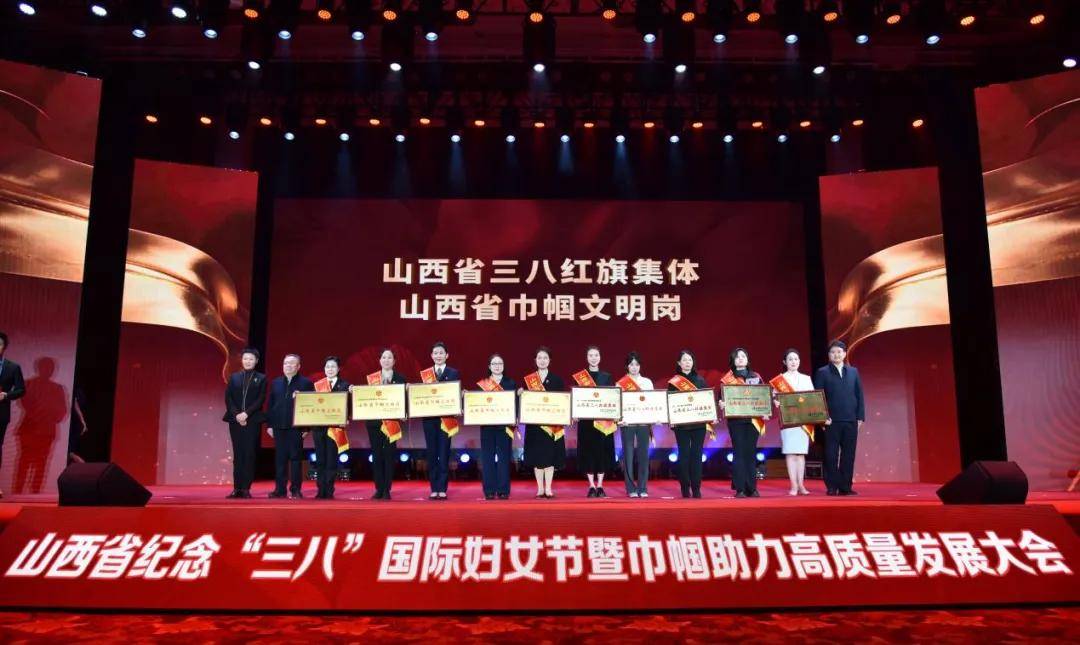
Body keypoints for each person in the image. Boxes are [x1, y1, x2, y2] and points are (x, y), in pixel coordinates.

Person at [813, 340, 866, 496]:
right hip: (831, 421)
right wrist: (822, 417)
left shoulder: (853, 372)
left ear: (844, 354)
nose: (836, 354)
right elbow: (818, 397)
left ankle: (845, 487)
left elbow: (859, 395)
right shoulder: (822, 372)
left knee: (848, 455)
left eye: (839, 352)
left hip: (851, 419)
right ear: (829, 355)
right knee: (831, 455)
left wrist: (860, 417)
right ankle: (832, 486)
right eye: (833, 352)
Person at [720, 348, 770, 498]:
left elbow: (763, 395)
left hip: (753, 420)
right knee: (739, 453)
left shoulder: (756, 377)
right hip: (736, 421)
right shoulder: (727, 379)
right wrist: (721, 403)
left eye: (743, 356)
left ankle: (752, 488)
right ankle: (740, 488)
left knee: (750, 452)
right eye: (737, 357)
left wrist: (766, 409)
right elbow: (720, 398)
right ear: (733, 361)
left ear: (747, 360)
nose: (740, 358)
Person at [266, 353, 314, 499]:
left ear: (298, 366)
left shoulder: (306, 383)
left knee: (295, 459)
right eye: (286, 363)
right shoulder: (276, 382)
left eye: (292, 363)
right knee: (280, 459)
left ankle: (295, 489)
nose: (288, 366)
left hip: (296, 427)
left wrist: (307, 428)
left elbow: (311, 406)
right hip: (279, 426)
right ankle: (279, 490)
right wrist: (270, 425)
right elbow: (271, 405)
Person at [361, 348, 407, 500]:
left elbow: (404, 399)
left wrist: (404, 412)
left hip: (391, 423)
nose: (386, 360)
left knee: (389, 455)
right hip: (374, 422)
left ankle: (387, 489)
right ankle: (378, 489)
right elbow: (365, 398)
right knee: (377, 455)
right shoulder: (372, 379)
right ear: (379, 360)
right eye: (384, 357)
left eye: (390, 357)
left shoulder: (401, 378)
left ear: (394, 361)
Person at [571, 345, 616, 498]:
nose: (593, 358)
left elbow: (612, 397)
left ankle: (601, 485)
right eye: (590, 355)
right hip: (586, 422)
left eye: (596, 355)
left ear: (600, 357)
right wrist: (575, 413)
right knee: (588, 452)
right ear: (587, 358)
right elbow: (576, 398)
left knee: (602, 452)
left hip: (603, 421)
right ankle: (591, 485)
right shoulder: (580, 377)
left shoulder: (607, 377)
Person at [222, 348, 266, 499]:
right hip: (235, 421)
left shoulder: (261, 378)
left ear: (256, 361)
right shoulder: (234, 377)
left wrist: (246, 414)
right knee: (238, 454)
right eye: (245, 358)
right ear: (242, 360)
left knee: (249, 454)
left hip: (252, 420)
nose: (248, 361)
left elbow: (260, 399)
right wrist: (237, 415)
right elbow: (228, 398)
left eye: (251, 359)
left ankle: (246, 488)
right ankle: (236, 488)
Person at [769, 348, 814, 496]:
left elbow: (812, 398)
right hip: (788, 420)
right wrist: (775, 402)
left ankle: (801, 485)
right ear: (785, 362)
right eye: (790, 359)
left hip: (803, 420)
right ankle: (793, 485)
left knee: (800, 453)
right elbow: (774, 398)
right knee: (790, 452)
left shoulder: (806, 378)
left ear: (799, 361)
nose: (793, 362)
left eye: (796, 359)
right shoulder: (779, 380)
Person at [522, 346, 566, 499]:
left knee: (550, 456)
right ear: (535, 360)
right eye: (539, 358)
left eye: (545, 358)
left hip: (552, 425)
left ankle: (548, 488)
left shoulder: (557, 380)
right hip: (534, 425)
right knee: (537, 457)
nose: (542, 360)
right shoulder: (528, 380)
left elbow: (562, 402)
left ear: (550, 360)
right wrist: (521, 394)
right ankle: (540, 488)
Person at [419, 342, 460, 500]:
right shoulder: (426, 375)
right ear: (431, 356)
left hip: (446, 419)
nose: (438, 355)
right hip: (429, 420)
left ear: (447, 355)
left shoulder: (453, 373)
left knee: (443, 453)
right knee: (432, 453)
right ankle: (433, 488)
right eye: (435, 353)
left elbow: (455, 393)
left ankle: (442, 488)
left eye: (441, 353)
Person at [667, 350, 709, 498]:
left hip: (698, 425)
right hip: (682, 425)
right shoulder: (674, 382)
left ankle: (696, 488)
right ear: (679, 363)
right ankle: (685, 487)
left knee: (697, 456)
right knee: (684, 455)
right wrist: (671, 420)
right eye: (684, 360)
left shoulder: (700, 380)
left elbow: (707, 401)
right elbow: (670, 403)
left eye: (690, 360)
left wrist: (710, 415)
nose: (687, 362)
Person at [476, 353, 515, 500]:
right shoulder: (483, 384)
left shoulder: (510, 383)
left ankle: (504, 490)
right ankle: (489, 490)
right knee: (487, 458)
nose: (497, 366)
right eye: (494, 364)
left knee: (504, 458)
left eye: (500, 363)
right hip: (487, 426)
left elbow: (515, 403)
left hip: (504, 426)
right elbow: (477, 403)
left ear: (503, 366)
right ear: (489, 366)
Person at [312, 356, 350, 500]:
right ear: (324, 369)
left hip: (335, 427)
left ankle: (329, 490)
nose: (330, 369)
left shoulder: (345, 385)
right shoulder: (317, 385)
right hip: (319, 427)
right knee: (320, 459)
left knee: (331, 459)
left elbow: (349, 405)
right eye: (327, 366)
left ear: (338, 369)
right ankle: (320, 489)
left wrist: (346, 417)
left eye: (333, 366)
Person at [617, 351, 653, 498]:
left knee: (644, 456)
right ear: (627, 366)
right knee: (628, 456)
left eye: (637, 364)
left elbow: (652, 402)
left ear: (640, 366)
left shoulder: (647, 382)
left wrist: (655, 417)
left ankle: (643, 488)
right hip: (627, 423)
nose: (634, 367)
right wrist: (619, 418)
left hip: (643, 423)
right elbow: (618, 404)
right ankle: (631, 488)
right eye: (631, 364)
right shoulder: (621, 383)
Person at [0, 332, 26, 500]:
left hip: (1, 413)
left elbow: (21, 389)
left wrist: (6, 395)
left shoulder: (13, 367)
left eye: (0, 344)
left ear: (5, 347)